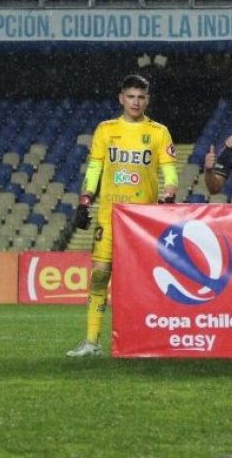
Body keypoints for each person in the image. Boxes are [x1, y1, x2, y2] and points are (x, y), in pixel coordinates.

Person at [66, 75, 177, 357]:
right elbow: (95, 167)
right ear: (121, 99)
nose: (135, 102)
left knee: (144, 281)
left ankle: (147, 340)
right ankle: (91, 341)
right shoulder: (106, 130)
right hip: (110, 215)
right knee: (100, 274)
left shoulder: (158, 132)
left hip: (142, 221)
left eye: (140, 97)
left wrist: (170, 190)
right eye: (131, 97)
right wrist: (85, 199)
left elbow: (169, 169)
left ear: (147, 100)